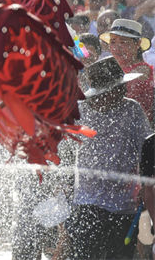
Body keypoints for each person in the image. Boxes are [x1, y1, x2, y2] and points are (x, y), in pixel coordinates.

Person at [64, 57, 153, 259]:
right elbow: (66, 150)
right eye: (112, 90)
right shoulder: (79, 111)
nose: (118, 94)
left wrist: (146, 187)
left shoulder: (132, 110)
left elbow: (147, 150)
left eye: (120, 89)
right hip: (87, 202)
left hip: (124, 204)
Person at [100, 19, 155, 123]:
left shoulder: (141, 70)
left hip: (136, 129)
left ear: (137, 44)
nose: (117, 47)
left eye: (123, 42)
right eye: (113, 42)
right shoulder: (115, 69)